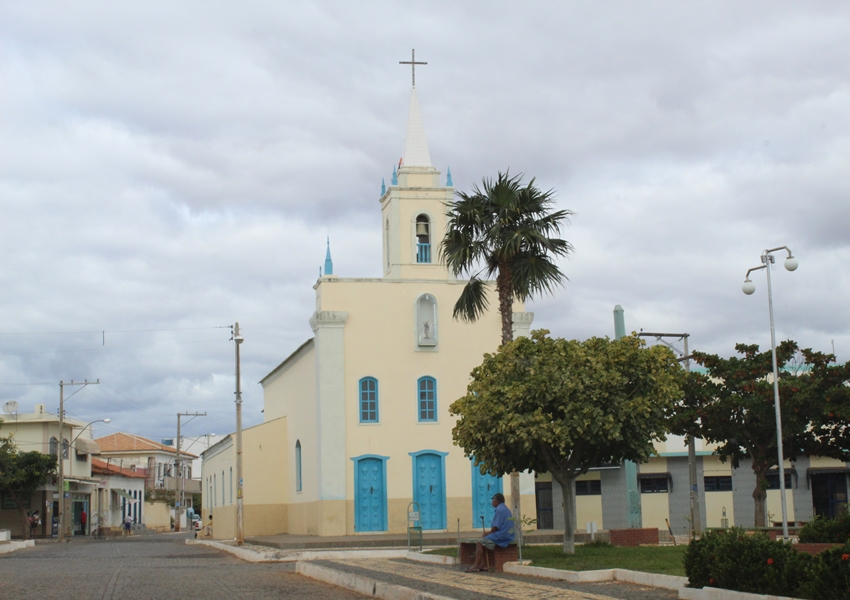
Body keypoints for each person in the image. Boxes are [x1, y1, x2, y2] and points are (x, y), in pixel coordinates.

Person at [465, 493, 514, 573]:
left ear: (496, 501)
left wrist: (488, 533)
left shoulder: (499, 510)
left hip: (502, 535)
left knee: (479, 543)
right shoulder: (505, 508)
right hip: (508, 534)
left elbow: (496, 527)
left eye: (493, 500)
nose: (492, 502)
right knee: (484, 541)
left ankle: (476, 566)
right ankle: (483, 565)